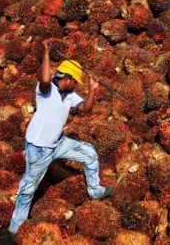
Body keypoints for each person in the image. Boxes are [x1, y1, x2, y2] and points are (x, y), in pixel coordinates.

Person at [8, 40, 114, 236]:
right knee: (29, 187)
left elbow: (86, 109)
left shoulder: (70, 94)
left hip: (58, 143)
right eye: (76, 81)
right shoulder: (46, 91)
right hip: (38, 149)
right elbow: (46, 79)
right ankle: (16, 227)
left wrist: (92, 89)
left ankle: (95, 191)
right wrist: (47, 53)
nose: (76, 85)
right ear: (67, 78)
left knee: (89, 153)